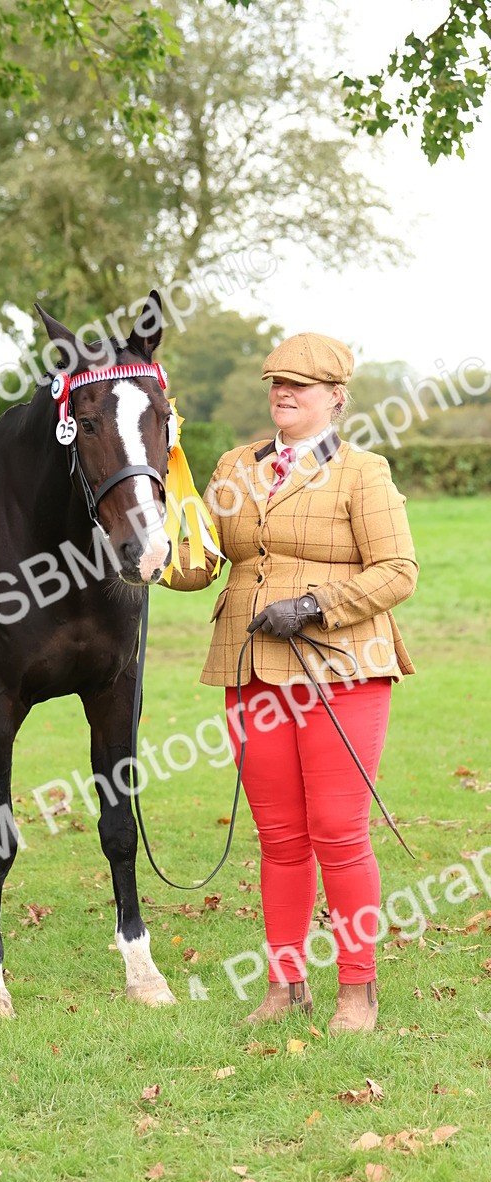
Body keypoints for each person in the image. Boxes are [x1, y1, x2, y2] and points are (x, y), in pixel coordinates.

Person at [164, 332, 418, 1034]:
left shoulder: (362, 472)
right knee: (278, 836)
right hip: (249, 667)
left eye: (299, 384)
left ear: (335, 397)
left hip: (340, 669)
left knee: (338, 831)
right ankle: (285, 986)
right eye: (277, 381)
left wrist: (314, 605)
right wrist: (154, 552)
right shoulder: (234, 466)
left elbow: (399, 570)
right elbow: (202, 562)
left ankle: (357, 991)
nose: (284, 391)